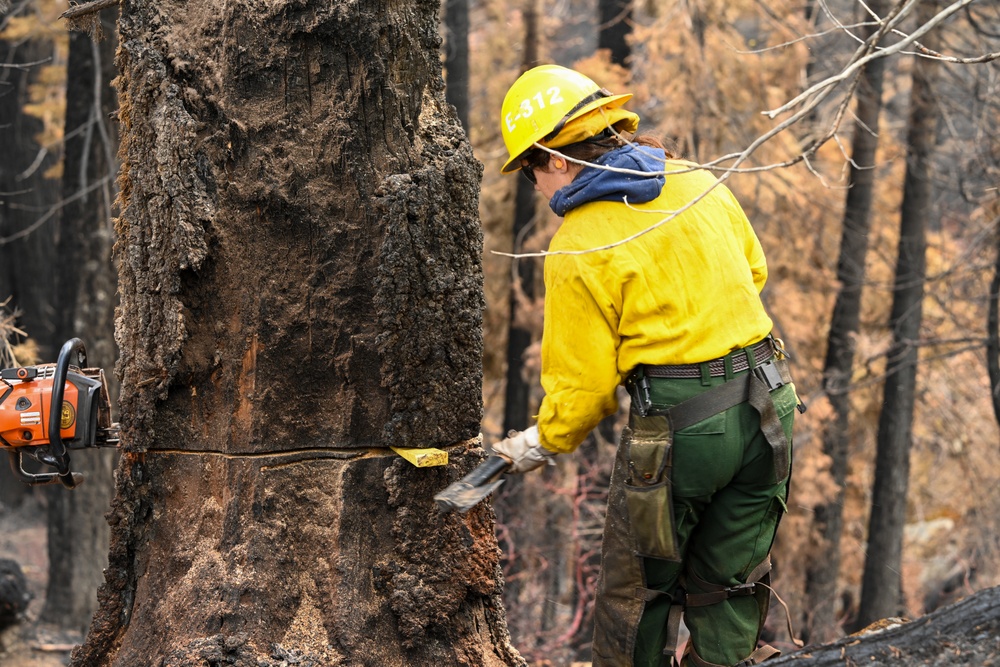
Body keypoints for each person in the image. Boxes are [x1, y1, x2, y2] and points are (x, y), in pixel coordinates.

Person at [491, 64, 800, 667]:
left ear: (554, 157)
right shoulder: (696, 179)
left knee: (635, 596)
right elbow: (752, 271)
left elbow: (581, 393)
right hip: (771, 408)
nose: (534, 185)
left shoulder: (581, 244)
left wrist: (537, 443)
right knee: (728, 587)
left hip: (685, 433)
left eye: (529, 168)